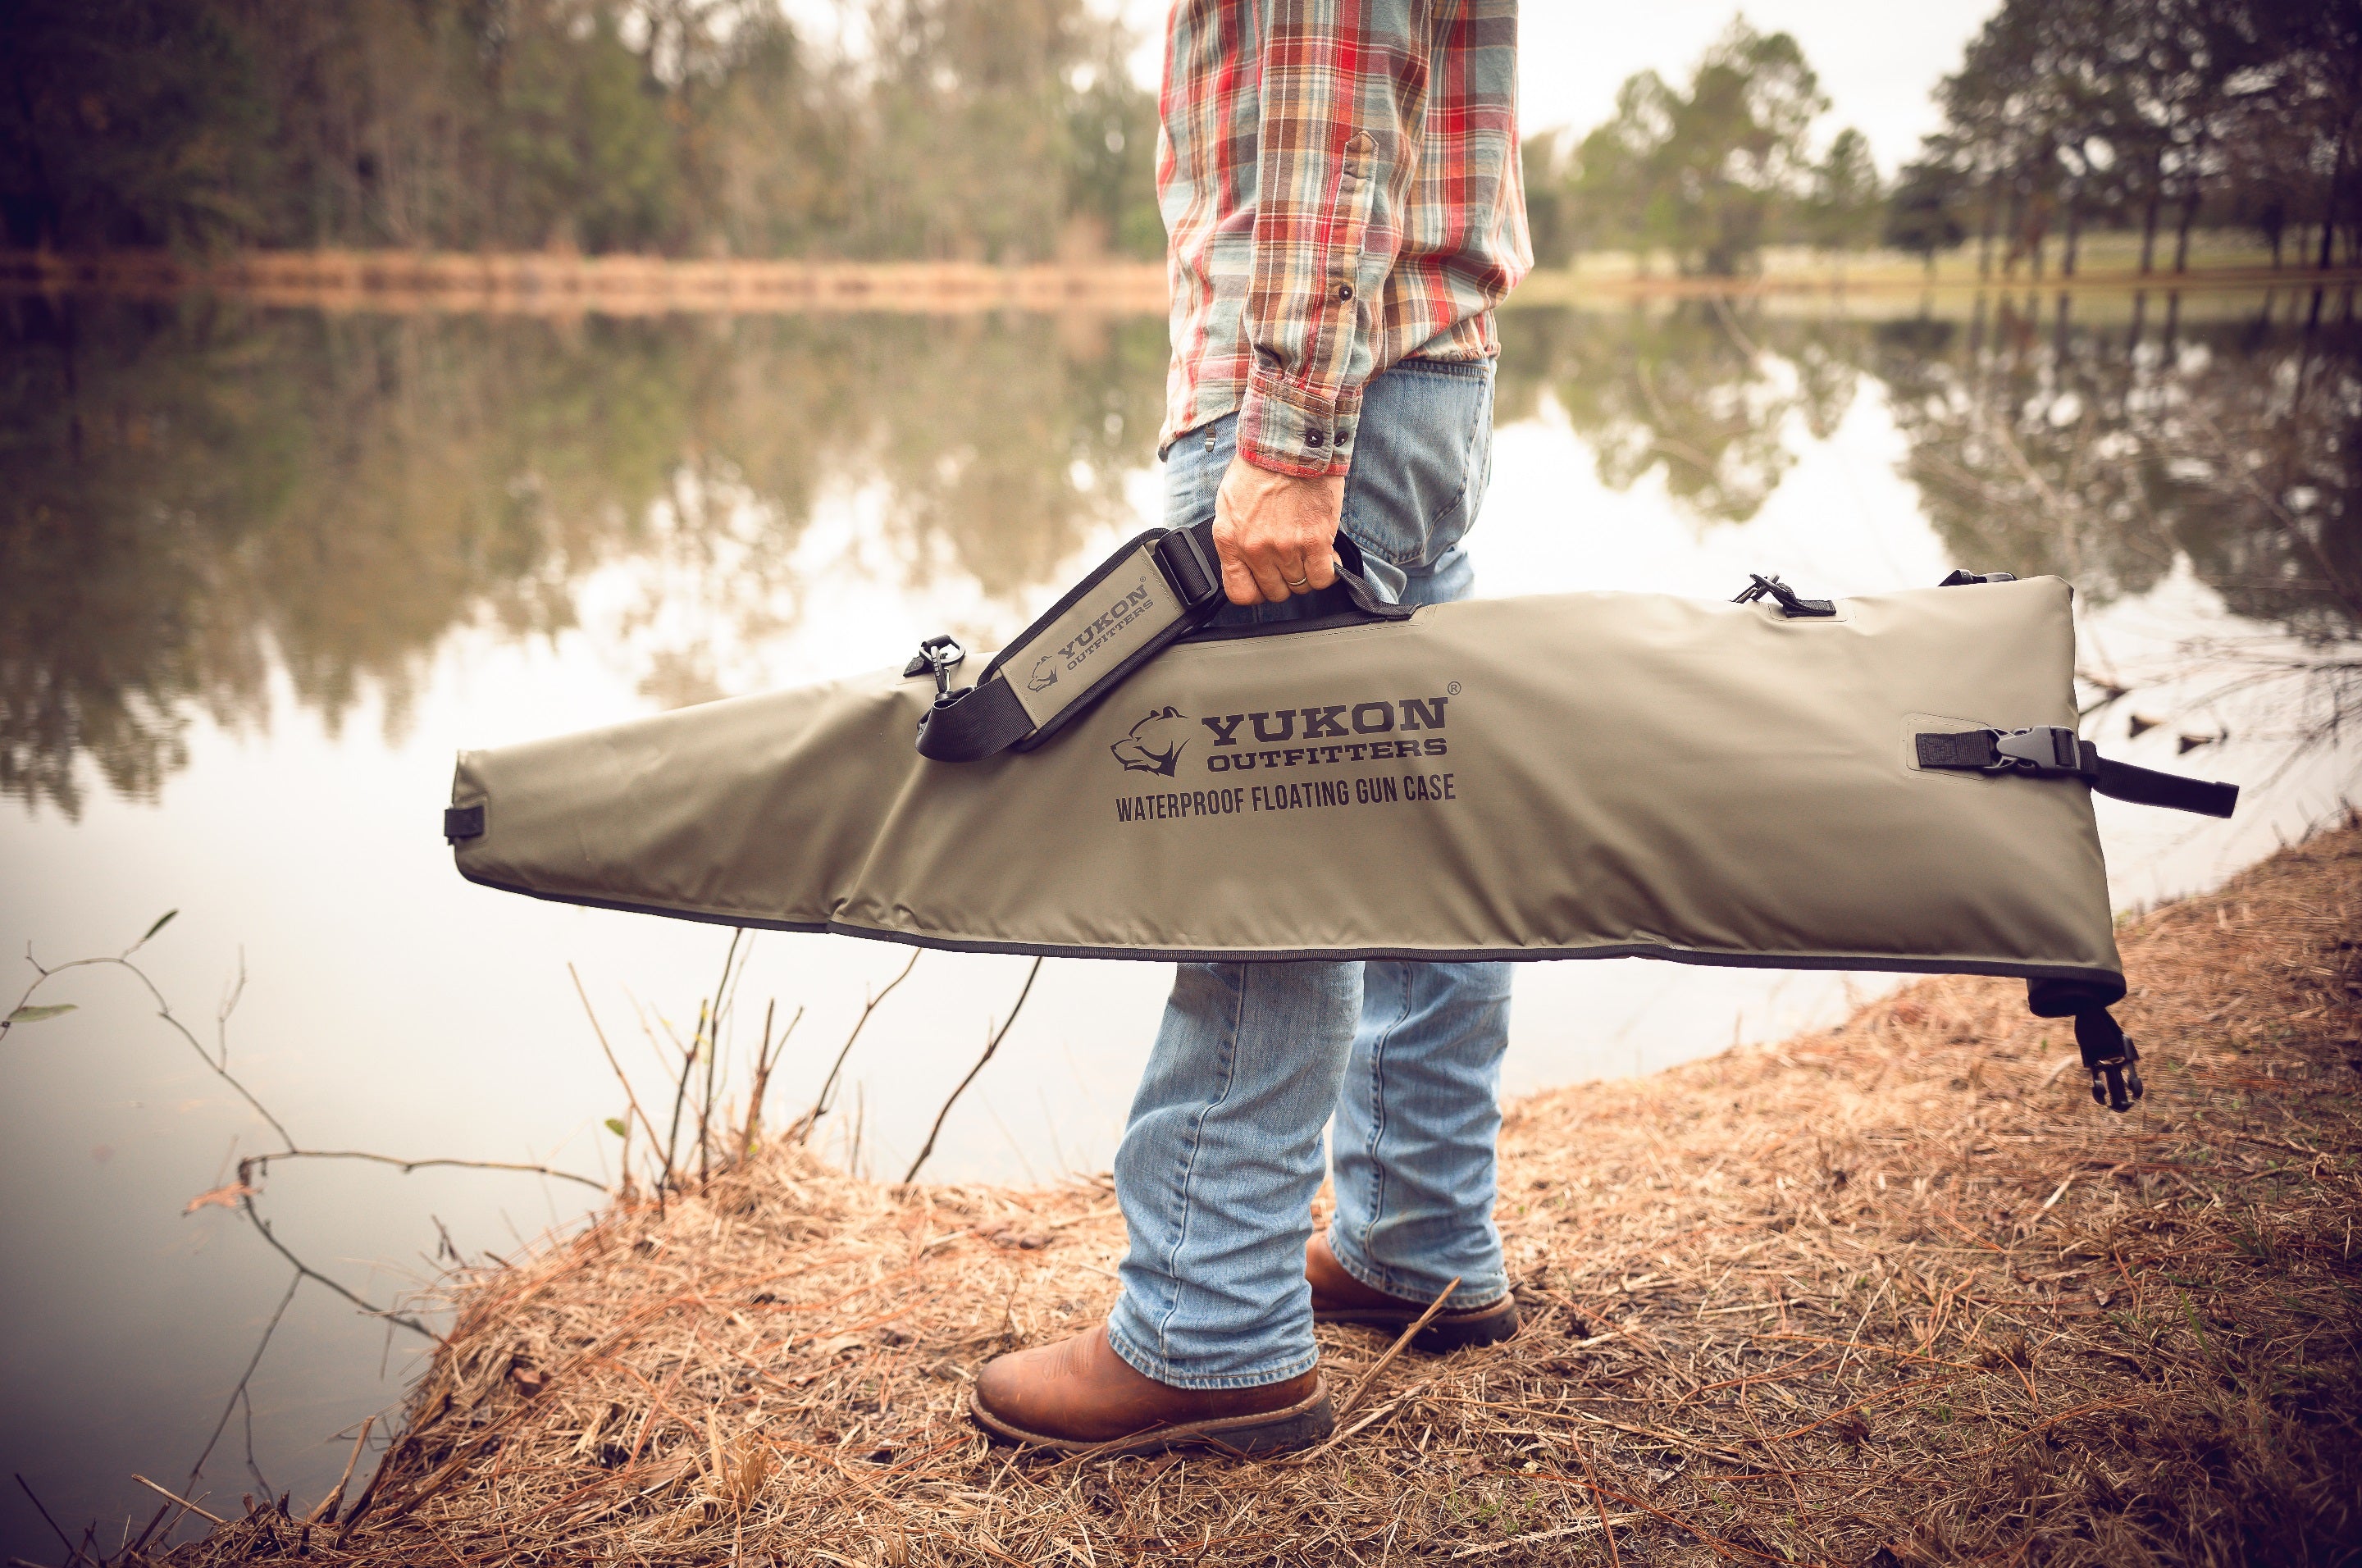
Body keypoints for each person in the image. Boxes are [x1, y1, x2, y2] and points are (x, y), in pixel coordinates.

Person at [970, 0, 1530, 1456]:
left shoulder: (1300, 428)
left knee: (1258, 864)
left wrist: (1290, 437)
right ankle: (1420, 1238)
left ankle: (1208, 1329)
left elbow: (1329, 81)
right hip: (1420, 378)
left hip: (1315, 407)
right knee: (1420, 820)